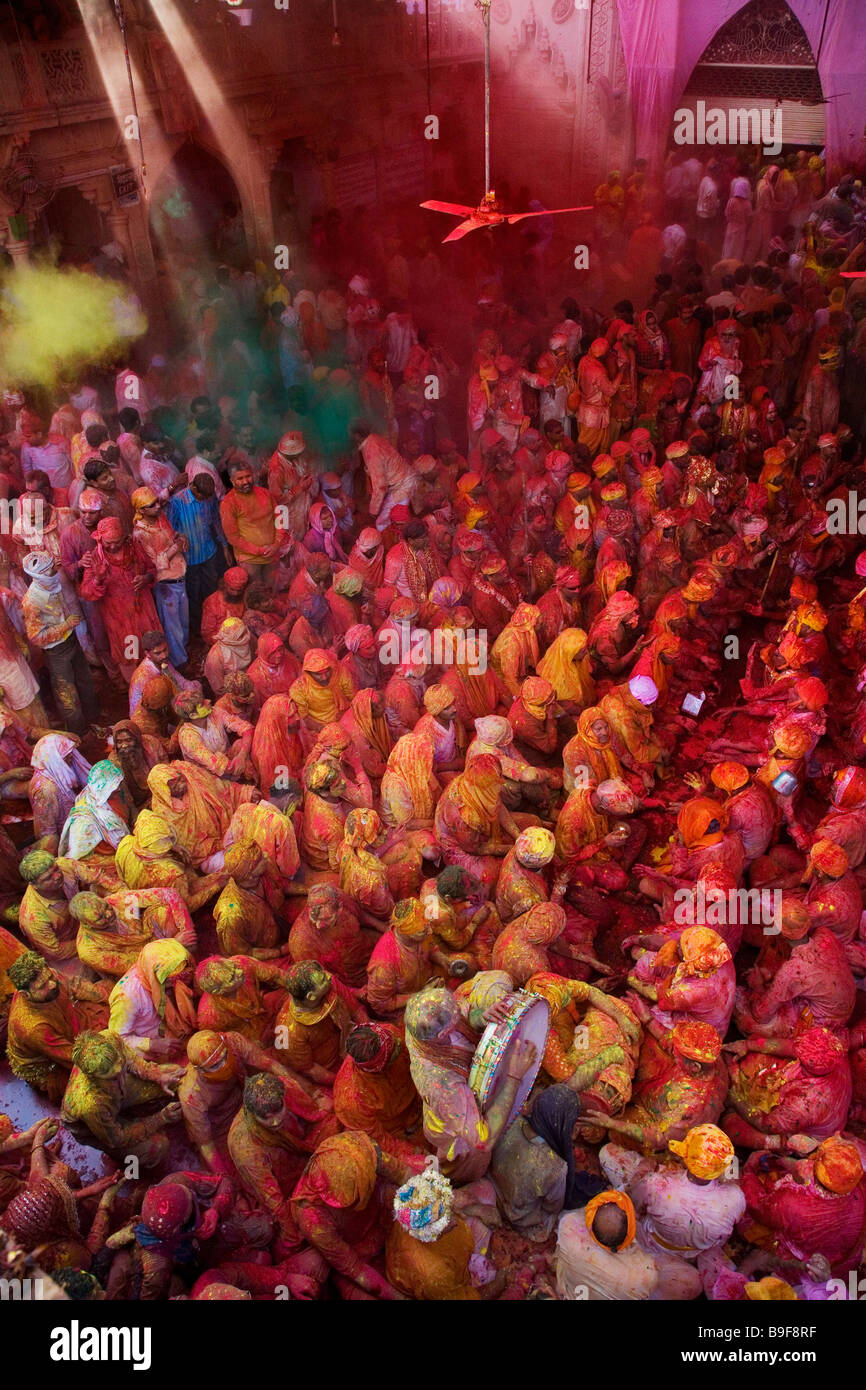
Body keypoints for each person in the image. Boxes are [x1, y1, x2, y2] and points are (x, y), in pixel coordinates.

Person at [22, 552, 97, 735]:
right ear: (40, 576)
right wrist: (65, 626)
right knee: (67, 693)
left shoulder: (51, 583)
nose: (55, 572)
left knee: (84, 679)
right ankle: (78, 732)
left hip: (71, 639)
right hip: (56, 650)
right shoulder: (32, 602)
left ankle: (94, 716)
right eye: (51, 571)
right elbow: (36, 637)